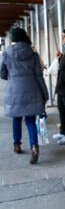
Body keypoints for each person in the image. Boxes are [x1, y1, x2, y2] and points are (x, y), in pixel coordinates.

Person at [0, 27, 49, 164]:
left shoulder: (6, 54)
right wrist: (45, 94)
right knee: (30, 121)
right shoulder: (33, 54)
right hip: (32, 91)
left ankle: (17, 144)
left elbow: (2, 73)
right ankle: (34, 146)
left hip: (14, 91)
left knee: (16, 119)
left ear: (13, 39)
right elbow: (39, 76)